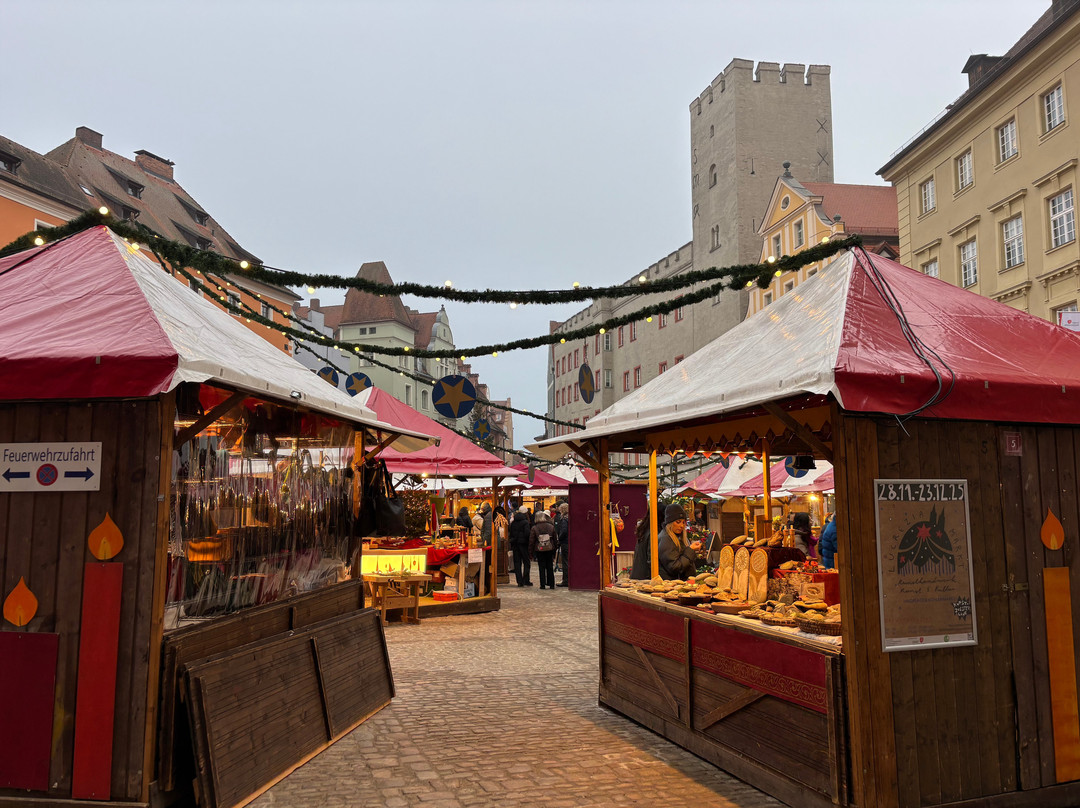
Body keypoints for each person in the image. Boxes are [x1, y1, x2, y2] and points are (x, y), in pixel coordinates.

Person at [658, 503, 701, 580]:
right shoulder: (666, 539)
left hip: (680, 583)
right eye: (678, 522)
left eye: (683, 522)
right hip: (671, 585)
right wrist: (690, 550)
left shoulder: (679, 537)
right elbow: (675, 567)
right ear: (670, 523)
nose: (681, 525)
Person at [530, 510, 559, 589]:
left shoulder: (534, 528)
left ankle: (542, 584)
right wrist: (555, 548)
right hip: (550, 548)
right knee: (549, 566)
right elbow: (555, 539)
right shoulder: (551, 526)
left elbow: (532, 541)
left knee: (541, 567)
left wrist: (531, 552)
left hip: (539, 549)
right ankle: (551, 584)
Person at [630, 505, 653, 580]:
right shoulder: (652, 533)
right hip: (645, 578)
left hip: (638, 575)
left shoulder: (644, 530)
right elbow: (651, 560)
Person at [554, 501, 570, 586]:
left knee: (565, 562)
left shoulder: (564, 519)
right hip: (570, 541)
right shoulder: (570, 518)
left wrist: (559, 539)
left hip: (565, 542)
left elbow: (563, 531)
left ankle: (566, 580)